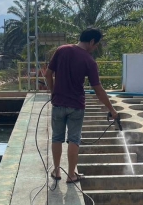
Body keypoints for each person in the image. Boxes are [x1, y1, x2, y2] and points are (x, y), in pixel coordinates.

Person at [45, 27, 119, 184]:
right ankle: (71, 174)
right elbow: (98, 89)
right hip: (76, 106)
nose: (95, 48)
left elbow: (48, 74)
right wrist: (112, 109)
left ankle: (57, 171)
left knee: (57, 137)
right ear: (91, 41)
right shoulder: (89, 61)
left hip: (58, 103)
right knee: (74, 139)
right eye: (96, 45)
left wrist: (53, 92)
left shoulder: (61, 50)